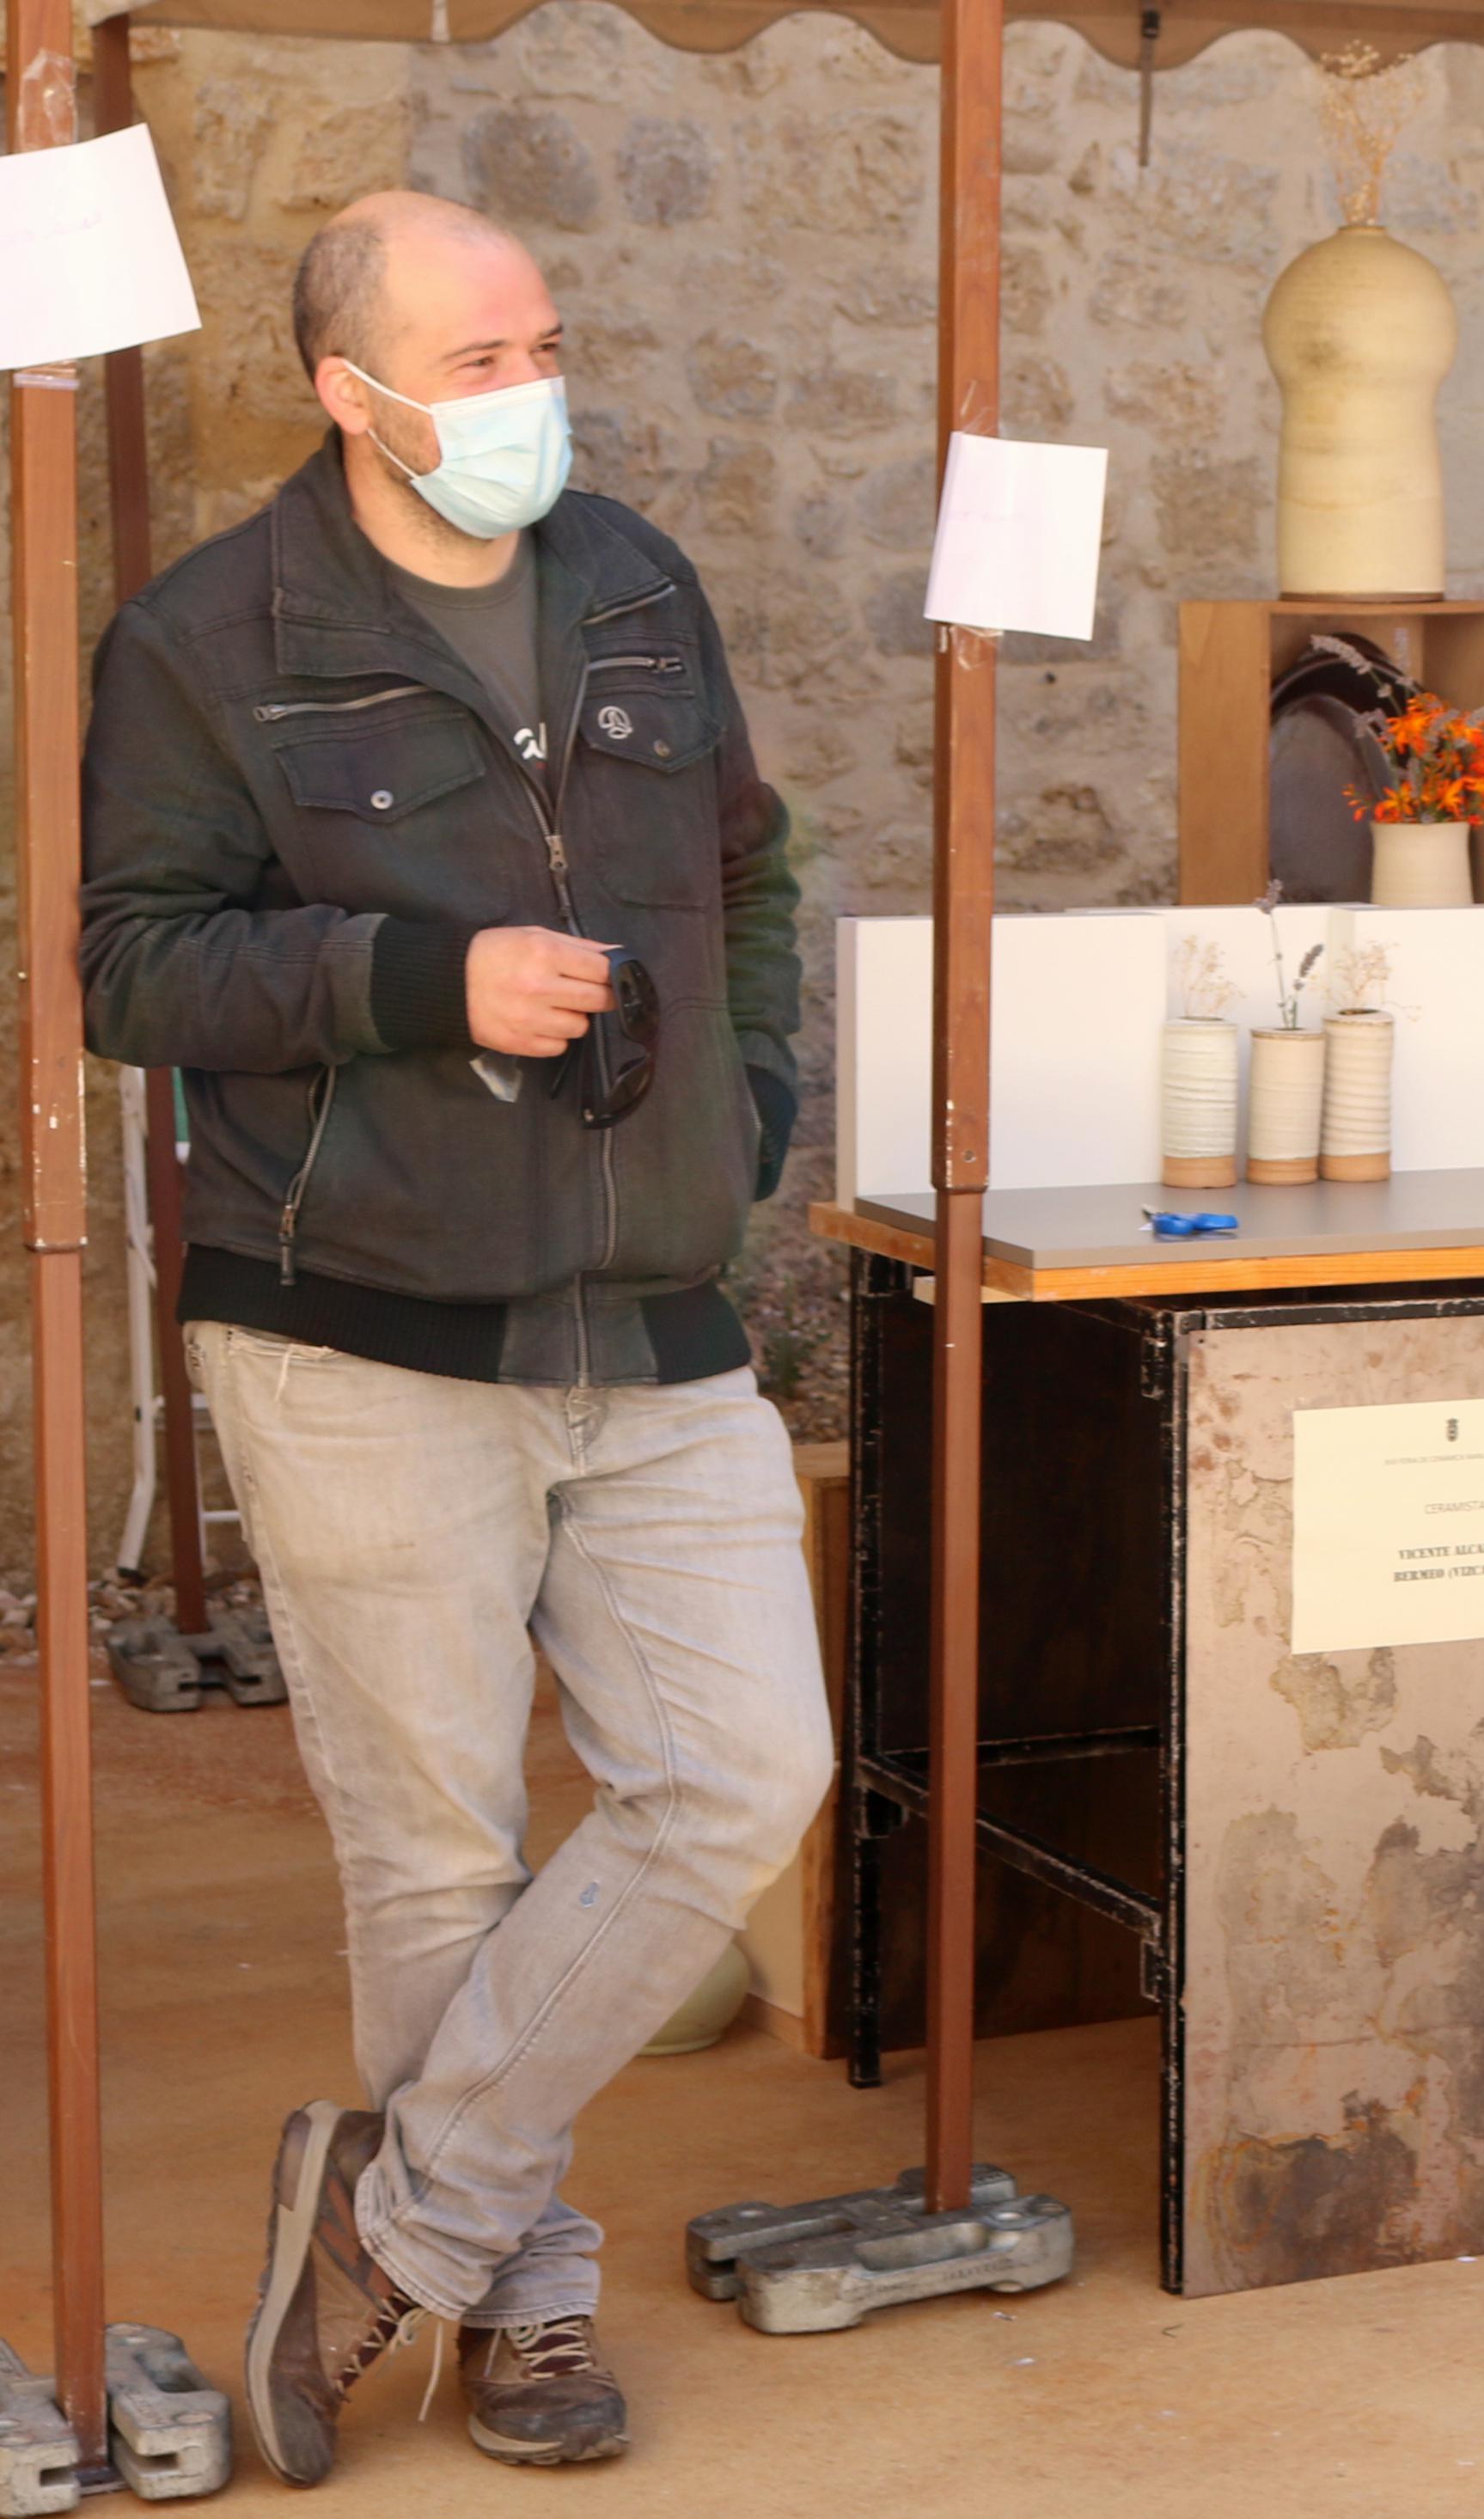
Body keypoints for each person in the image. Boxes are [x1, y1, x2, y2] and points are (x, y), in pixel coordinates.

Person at [76, 190, 834, 2484]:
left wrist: (751, 1098)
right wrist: (421, 982)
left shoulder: (629, 581)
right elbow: (137, 966)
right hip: (361, 1327)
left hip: (652, 1304)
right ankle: (524, 2311)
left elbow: (753, 867)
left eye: (539, 343)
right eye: (479, 356)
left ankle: (394, 2227)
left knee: (741, 1768)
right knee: (440, 1854)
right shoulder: (212, 637)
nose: (528, 390)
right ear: (352, 389)